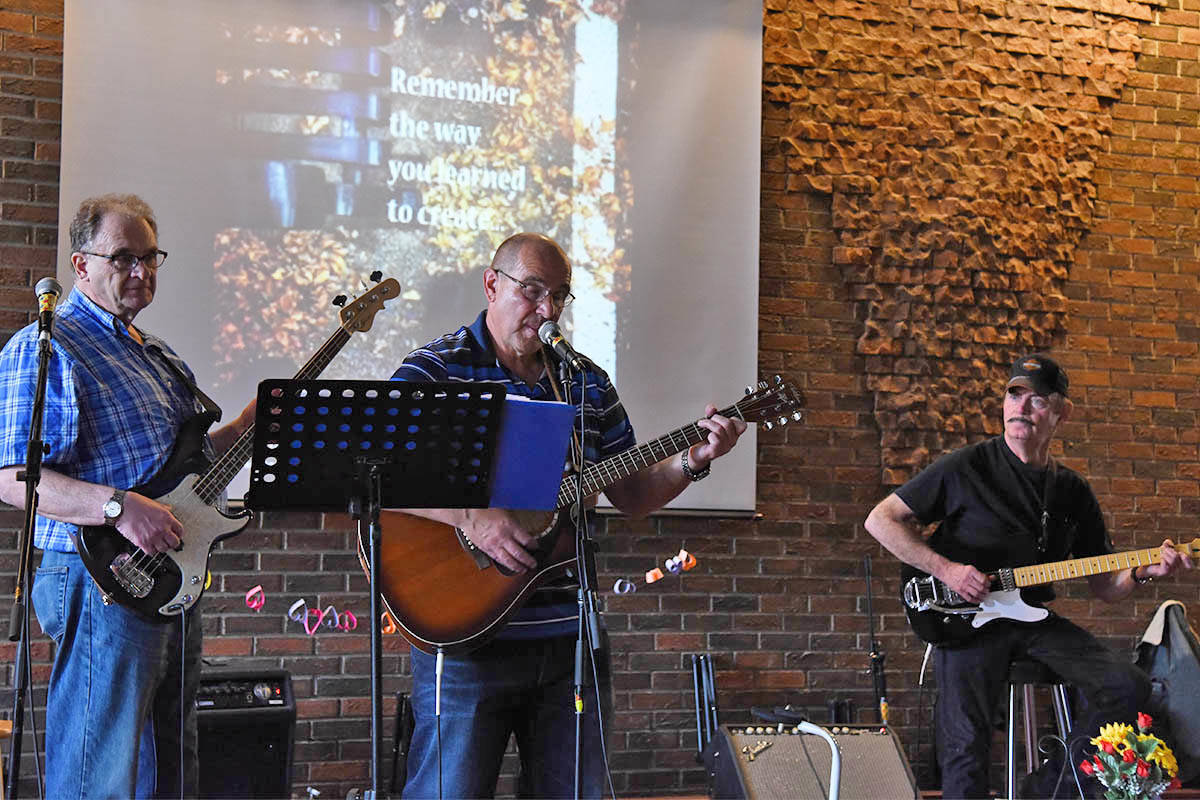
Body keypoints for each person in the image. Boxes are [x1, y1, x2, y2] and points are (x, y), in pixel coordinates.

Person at [391, 232, 746, 799]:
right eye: (532, 291)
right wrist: (471, 518)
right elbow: (377, 476)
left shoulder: (585, 382)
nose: (547, 310)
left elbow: (630, 493)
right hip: (465, 640)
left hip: (568, 643)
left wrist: (693, 460)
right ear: (492, 284)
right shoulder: (437, 371)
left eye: (559, 295)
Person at [0, 194, 255, 798]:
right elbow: (14, 479)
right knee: (101, 770)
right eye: (122, 258)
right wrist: (118, 507)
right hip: (101, 580)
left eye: (149, 257)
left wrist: (248, 427)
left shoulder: (154, 352)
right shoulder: (47, 345)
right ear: (80, 265)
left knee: (169, 767)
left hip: (169, 577)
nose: (140, 272)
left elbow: (183, 471)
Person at [864, 354, 1192, 799]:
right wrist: (948, 570)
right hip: (964, 620)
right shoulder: (967, 466)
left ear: (1062, 412)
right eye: (1014, 395)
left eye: (1037, 400)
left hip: (1030, 617)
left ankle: (1047, 789)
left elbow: (1105, 586)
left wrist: (1142, 571)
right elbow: (881, 520)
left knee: (1126, 685)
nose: (1020, 408)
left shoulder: (1071, 490)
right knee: (966, 748)